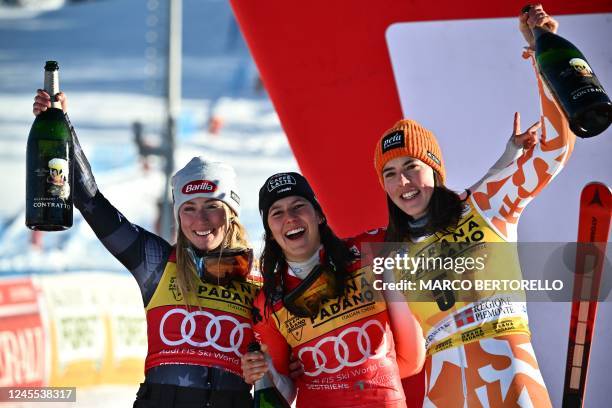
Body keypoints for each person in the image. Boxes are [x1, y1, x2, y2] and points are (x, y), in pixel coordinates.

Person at [372, 6, 571, 407]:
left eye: (411, 167)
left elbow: (554, 149)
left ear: (435, 170)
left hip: (514, 386)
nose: (403, 182)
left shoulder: (485, 205)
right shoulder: (389, 251)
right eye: (389, 174)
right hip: (442, 393)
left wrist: (543, 55)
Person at [33, 92, 259, 408]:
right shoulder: (155, 263)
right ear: (178, 215)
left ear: (231, 212)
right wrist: (62, 126)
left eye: (212, 206)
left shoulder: (260, 277)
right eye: (189, 208)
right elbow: (90, 201)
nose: (200, 220)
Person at [241, 172, 426, 407]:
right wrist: (266, 372)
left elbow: (432, 232)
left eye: (299, 206)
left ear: (318, 214)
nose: (290, 217)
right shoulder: (267, 302)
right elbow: (285, 396)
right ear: (269, 230)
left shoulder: (371, 250)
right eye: (277, 213)